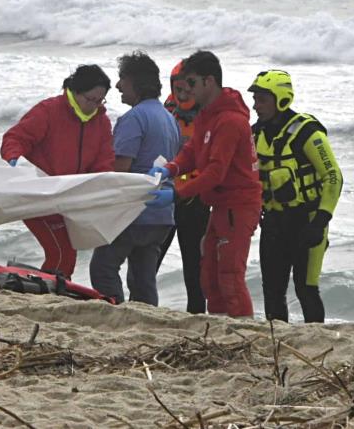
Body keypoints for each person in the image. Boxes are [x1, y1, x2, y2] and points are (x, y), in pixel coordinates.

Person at [148, 51, 261, 318]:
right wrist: (170, 168)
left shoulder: (231, 121)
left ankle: (242, 329)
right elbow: (193, 151)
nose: (186, 91)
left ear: (209, 82)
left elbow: (215, 172)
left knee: (230, 277)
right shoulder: (207, 114)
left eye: (192, 83)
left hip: (238, 205)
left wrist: (176, 193)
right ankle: (221, 327)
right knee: (209, 276)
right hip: (219, 205)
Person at [1, 64, 114, 278]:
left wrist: (100, 187)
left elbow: (104, 161)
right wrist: (13, 160)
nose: (94, 106)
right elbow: (15, 138)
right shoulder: (49, 111)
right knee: (62, 253)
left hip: (70, 199)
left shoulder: (101, 122)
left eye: (100, 101)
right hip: (38, 196)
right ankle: (51, 293)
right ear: (76, 91)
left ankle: (47, 286)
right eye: (90, 99)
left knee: (66, 254)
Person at [249, 70, 342, 323]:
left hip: (308, 222)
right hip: (274, 223)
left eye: (261, 100)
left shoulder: (307, 132)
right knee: (273, 292)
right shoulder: (255, 134)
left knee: (306, 290)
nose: (255, 106)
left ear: (281, 99)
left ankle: (318, 347)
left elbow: (333, 176)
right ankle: (278, 347)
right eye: (255, 100)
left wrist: (320, 221)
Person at [89, 52, 179, 306]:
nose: (117, 86)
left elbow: (121, 171)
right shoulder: (168, 118)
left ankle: (114, 313)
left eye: (122, 79)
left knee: (103, 268)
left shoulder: (134, 118)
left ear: (136, 82)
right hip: (161, 215)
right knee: (143, 279)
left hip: (134, 213)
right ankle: (145, 319)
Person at [155, 61, 209, 314]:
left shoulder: (212, 114)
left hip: (196, 200)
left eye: (189, 88)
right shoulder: (166, 109)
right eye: (179, 89)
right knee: (149, 261)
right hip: (167, 196)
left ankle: (196, 316)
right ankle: (140, 308)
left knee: (195, 267)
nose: (183, 95)